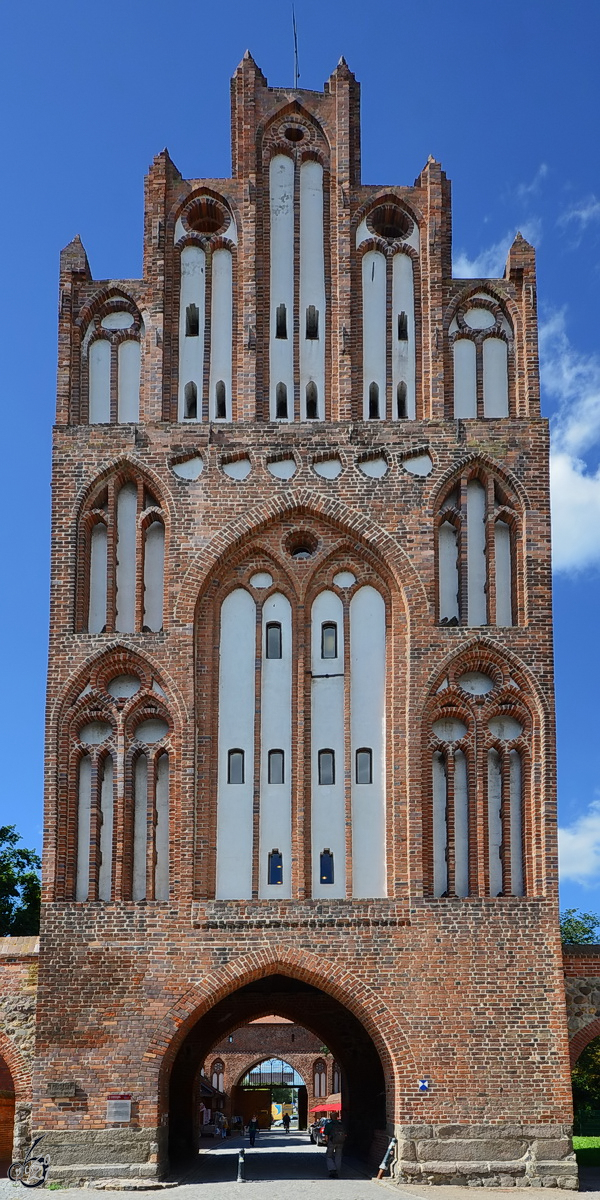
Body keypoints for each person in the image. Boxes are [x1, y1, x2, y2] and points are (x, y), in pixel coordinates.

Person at [323, 1114, 345, 1179]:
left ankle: (332, 1170)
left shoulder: (329, 1125)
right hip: (340, 1142)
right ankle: (338, 1171)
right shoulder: (341, 1125)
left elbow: (326, 1136)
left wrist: (327, 1142)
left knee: (329, 1156)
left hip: (332, 1142)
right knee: (338, 1156)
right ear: (337, 1117)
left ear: (330, 1117)